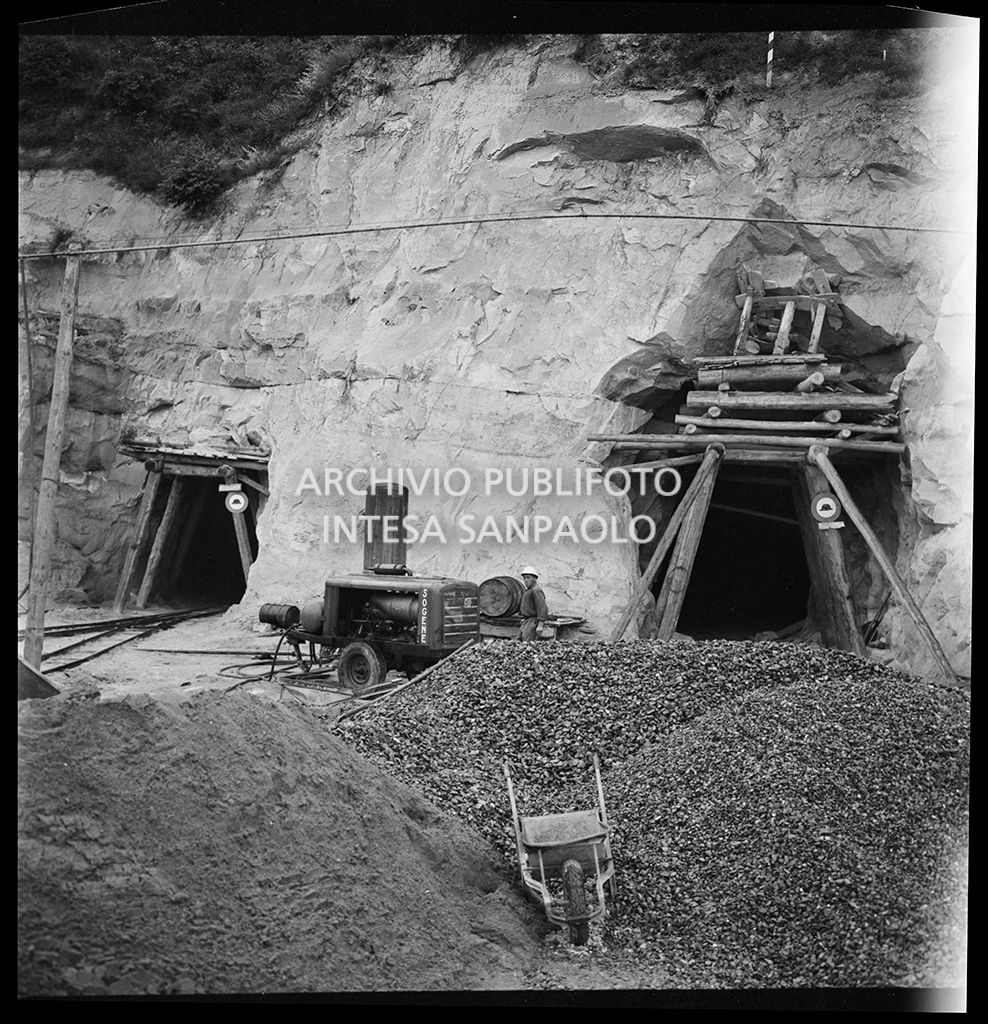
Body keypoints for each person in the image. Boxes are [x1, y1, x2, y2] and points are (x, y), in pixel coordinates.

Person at [518, 566, 548, 641]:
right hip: (526, 621)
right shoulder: (529, 590)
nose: (526, 580)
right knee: (518, 641)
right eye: (524, 578)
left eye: (529, 578)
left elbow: (542, 607)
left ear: (534, 579)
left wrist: (540, 625)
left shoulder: (536, 590)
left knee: (527, 642)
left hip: (532, 622)